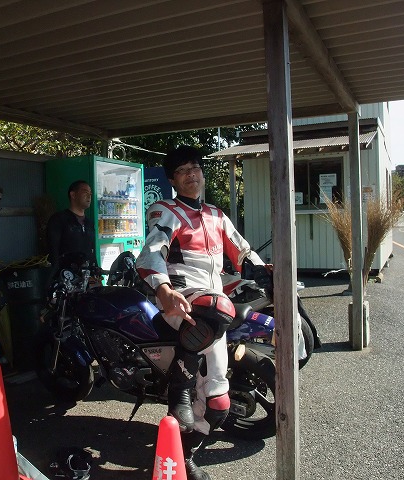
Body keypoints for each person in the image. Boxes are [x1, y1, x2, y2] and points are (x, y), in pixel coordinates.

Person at [136, 146, 270, 480]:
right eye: (182, 170)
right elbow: (151, 252)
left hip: (213, 306)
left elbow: (243, 252)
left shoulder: (216, 214)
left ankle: (186, 456)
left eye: (195, 168)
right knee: (219, 305)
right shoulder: (164, 210)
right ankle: (179, 387)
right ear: (172, 180)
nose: (191, 175)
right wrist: (163, 290)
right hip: (180, 299)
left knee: (219, 404)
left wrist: (265, 271)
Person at [46, 180, 97, 276]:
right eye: (85, 192)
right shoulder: (59, 219)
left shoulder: (89, 223)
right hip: (66, 276)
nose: (89, 196)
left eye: (90, 193)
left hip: (87, 276)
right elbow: (52, 251)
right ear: (73, 195)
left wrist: (96, 273)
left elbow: (92, 251)